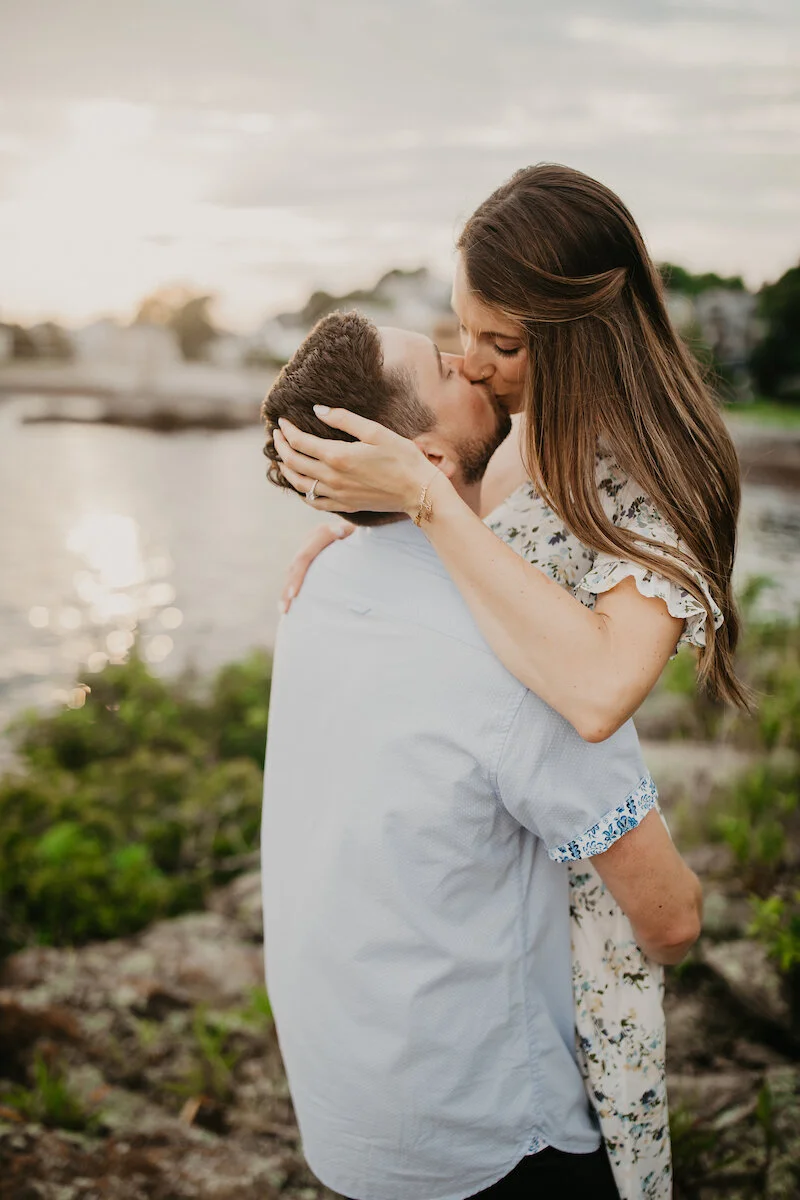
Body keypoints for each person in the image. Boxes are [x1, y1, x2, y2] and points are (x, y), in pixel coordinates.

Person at [270, 165, 748, 1198]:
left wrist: (423, 503)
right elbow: (472, 560)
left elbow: (595, 692)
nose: (475, 367)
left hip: (573, 810)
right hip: (505, 817)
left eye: (503, 343)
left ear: (584, 333)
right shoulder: (514, 424)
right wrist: (373, 531)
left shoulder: (663, 474)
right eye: (462, 333)